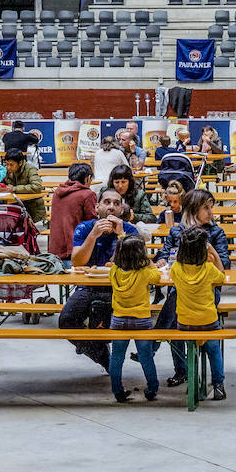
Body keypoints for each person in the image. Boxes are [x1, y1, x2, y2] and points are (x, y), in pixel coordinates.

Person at [153, 188, 230, 387]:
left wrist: (210, 258)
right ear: (193, 209)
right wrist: (161, 261)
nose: (211, 213)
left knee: (175, 305)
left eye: (211, 208)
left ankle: (153, 343)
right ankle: (182, 370)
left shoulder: (215, 232)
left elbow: (225, 265)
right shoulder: (177, 231)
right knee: (177, 303)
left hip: (207, 292)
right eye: (206, 208)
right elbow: (163, 254)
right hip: (180, 287)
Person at [60, 188, 141, 370]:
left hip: (121, 288)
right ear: (97, 208)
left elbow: (137, 263)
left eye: (116, 203)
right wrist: (93, 235)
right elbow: (77, 261)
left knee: (114, 324)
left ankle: (107, 351)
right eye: (107, 202)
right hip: (88, 286)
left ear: (121, 210)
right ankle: (104, 358)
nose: (111, 207)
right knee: (66, 321)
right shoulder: (85, 228)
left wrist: (121, 236)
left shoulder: (129, 230)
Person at [169, 227, 227, 401]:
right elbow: (222, 276)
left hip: (184, 322)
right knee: (214, 350)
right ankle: (218, 384)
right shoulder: (209, 270)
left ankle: (193, 381)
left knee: (190, 347)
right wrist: (214, 253)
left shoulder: (176, 269)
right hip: (208, 321)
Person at [108, 235, 162, 402]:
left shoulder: (114, 271)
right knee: (146, 356)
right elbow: (157, 277)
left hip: (118, 319)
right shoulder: (145, 273)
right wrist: (150, 262)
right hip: (141, 319)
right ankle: (152, 388)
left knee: (117, 357)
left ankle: (117, 390)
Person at [49, 162, 97, 266]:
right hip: (76, 248)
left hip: (56, 248)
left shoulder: (58, 192)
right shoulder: (88, 194)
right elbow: (91, 222)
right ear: (88, 178)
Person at [0, 148, 47, 223]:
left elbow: (37, 187)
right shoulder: (7, 171)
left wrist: (14, 189)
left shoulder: (30, 170)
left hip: (33, 210)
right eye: (6, 164)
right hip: (16, 207)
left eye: (11, 165)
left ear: (20, 163)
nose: (8, 167)